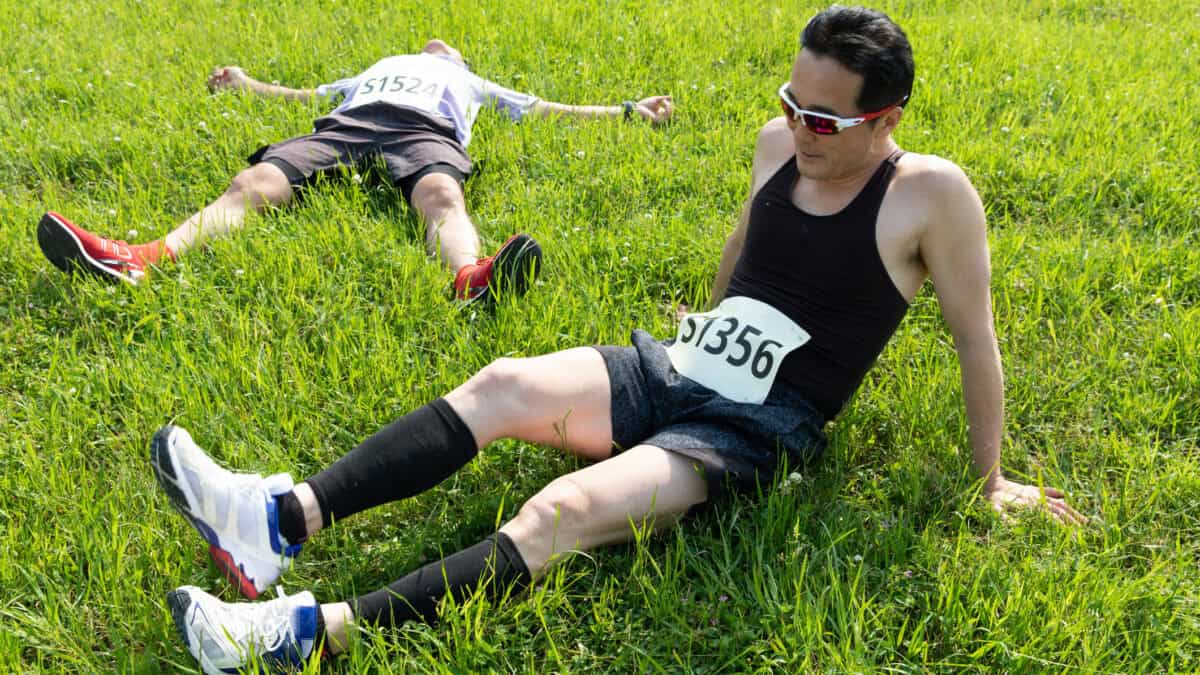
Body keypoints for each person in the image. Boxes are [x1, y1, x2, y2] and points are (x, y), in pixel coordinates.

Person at [153, 8, 1085, 673]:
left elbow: (974, 339)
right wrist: (700, 326)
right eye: (791, 102)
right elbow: (743, 253)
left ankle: (302, 635)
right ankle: (278, 522)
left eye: (826, 119)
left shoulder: (932, 196)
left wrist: (990, 478)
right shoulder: (776, 143)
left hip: (760, 425)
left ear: (885, 119)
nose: (798, 128)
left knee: (561, 513)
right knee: (504, 382)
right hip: (681, 363)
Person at [35, 39, 673, 305]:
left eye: (447, 45)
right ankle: (144, 257)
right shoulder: (373, 68)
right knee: (253, 185)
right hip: (351, 123)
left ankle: (469, 279)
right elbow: (310, 98)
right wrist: (248, 84)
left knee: (441, 192)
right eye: (432, 41)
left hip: (425, 133)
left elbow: (542, 108)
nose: (438, 43)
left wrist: (627, 110)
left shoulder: (468, 78)